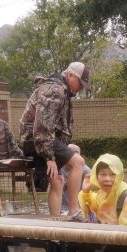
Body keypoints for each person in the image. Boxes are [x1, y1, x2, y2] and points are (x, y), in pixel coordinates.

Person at [18, 61, 90, 217]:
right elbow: (42, 126)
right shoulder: (54, 90)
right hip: (37, 140)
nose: (81, 88)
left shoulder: (60, 90)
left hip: (41, 140)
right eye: (81, 83)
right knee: (78, 163)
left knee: (57, 180)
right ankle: (74, 211)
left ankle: (56, 223)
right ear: (70, 75)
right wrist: (49, 157)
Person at [78, 154, 127, 225]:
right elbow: (94, 206)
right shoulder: (103, 193)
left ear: (119, 176)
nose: (107, 179)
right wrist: (86, 192)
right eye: (103, 174)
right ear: (96, 176)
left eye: (113, 174)